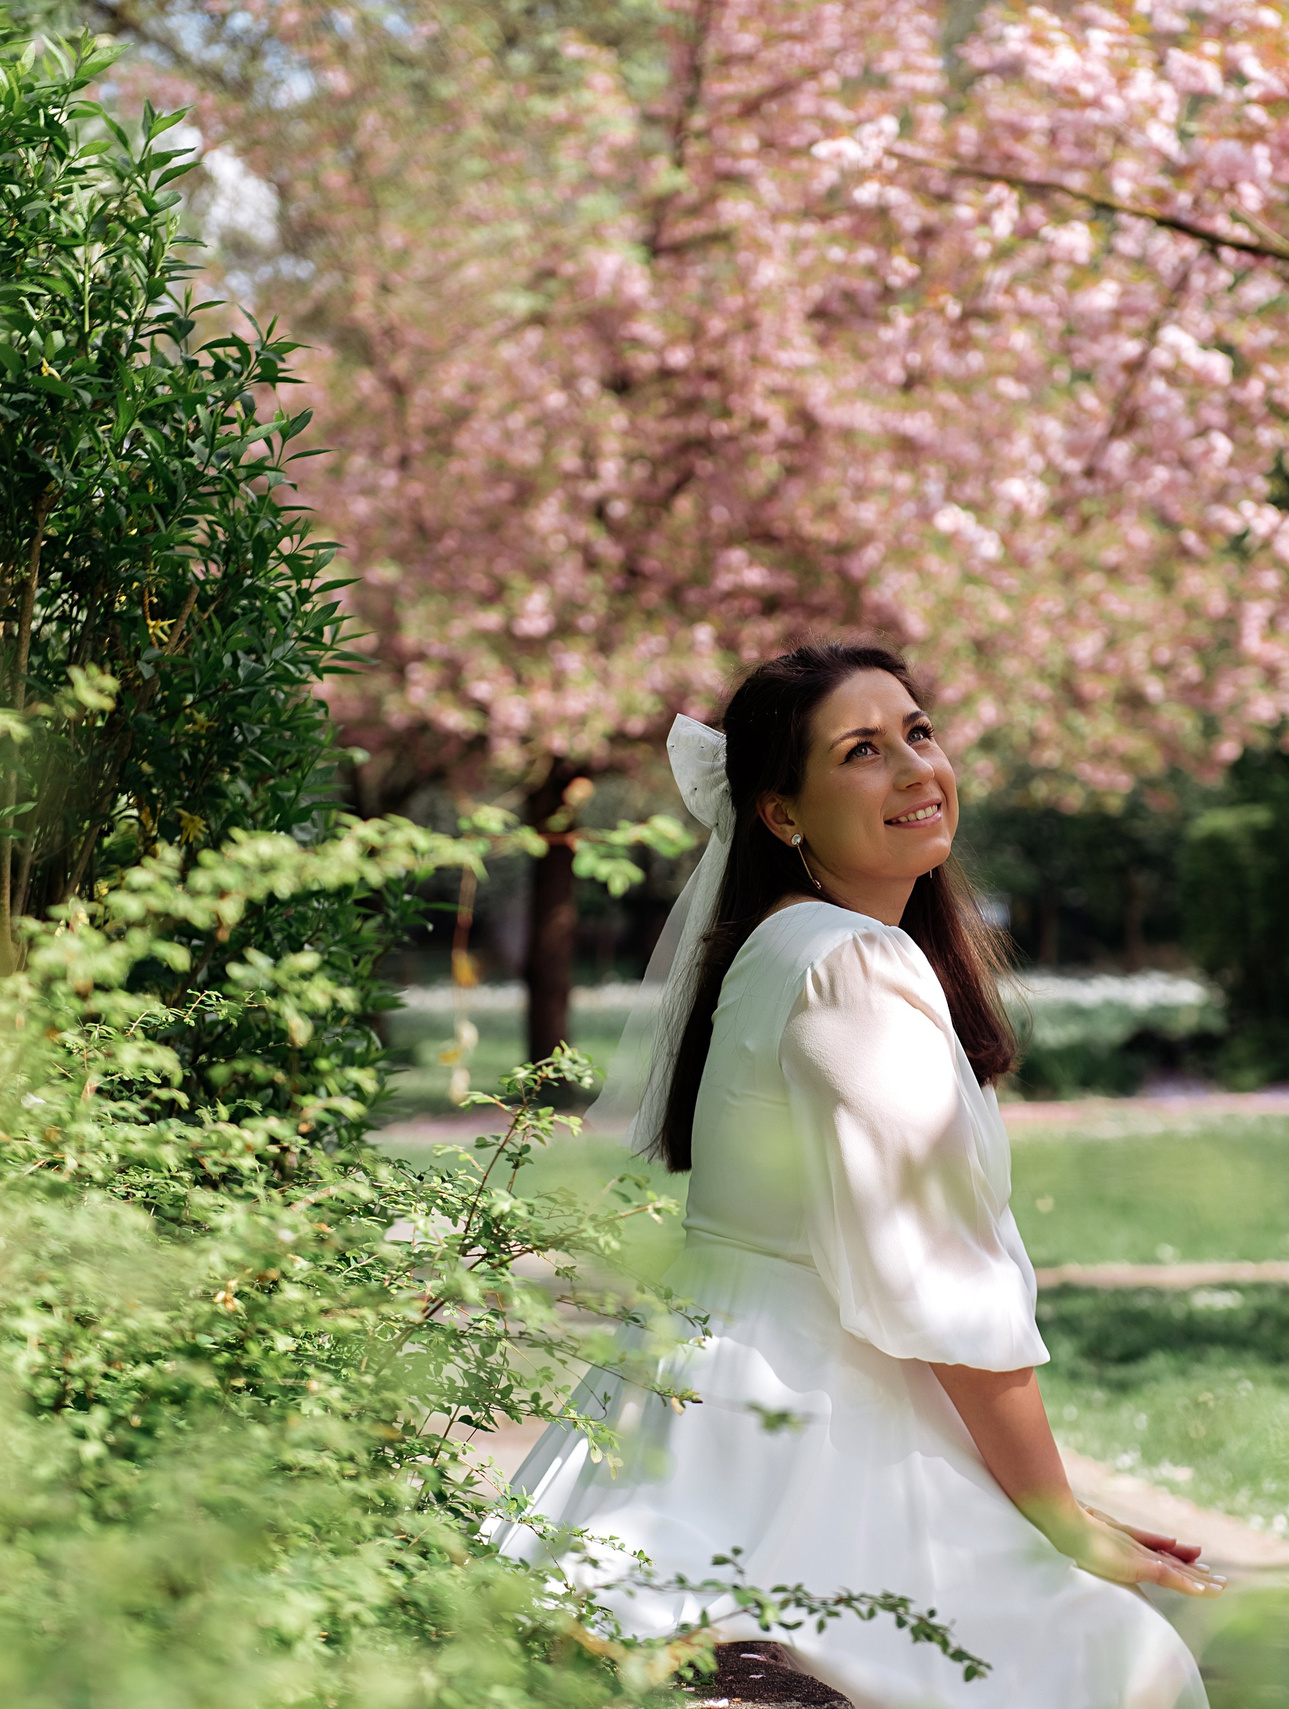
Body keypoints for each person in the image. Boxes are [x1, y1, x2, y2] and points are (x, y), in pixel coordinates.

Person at [498, 643, 1220, 1709]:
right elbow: (938, 1288)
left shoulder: (780, 943)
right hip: (815, 1416)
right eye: (862, 751)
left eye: (918, 732)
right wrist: (1061, 1515)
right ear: (782, 814)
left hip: (712, 1400)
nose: (916, 769)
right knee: (1112, 1663)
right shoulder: (849, 960)